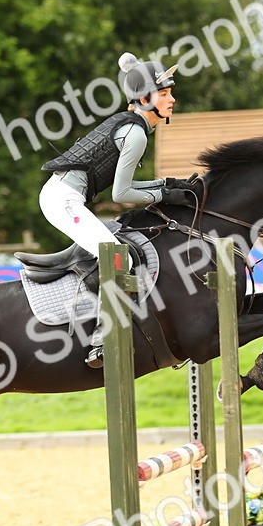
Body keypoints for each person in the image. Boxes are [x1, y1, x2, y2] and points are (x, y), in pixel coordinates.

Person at [39, 51, 204, 367]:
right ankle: (102, 339)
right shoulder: (136, 132)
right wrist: (165, 194)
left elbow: (128, 188)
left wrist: (168, 186)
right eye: (165, 94)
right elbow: (122, 193)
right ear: (144, 99)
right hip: (62, 200)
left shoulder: (134, 126)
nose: (172, 99)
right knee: (120, 257)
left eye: (170, 92)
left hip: (64, 196)